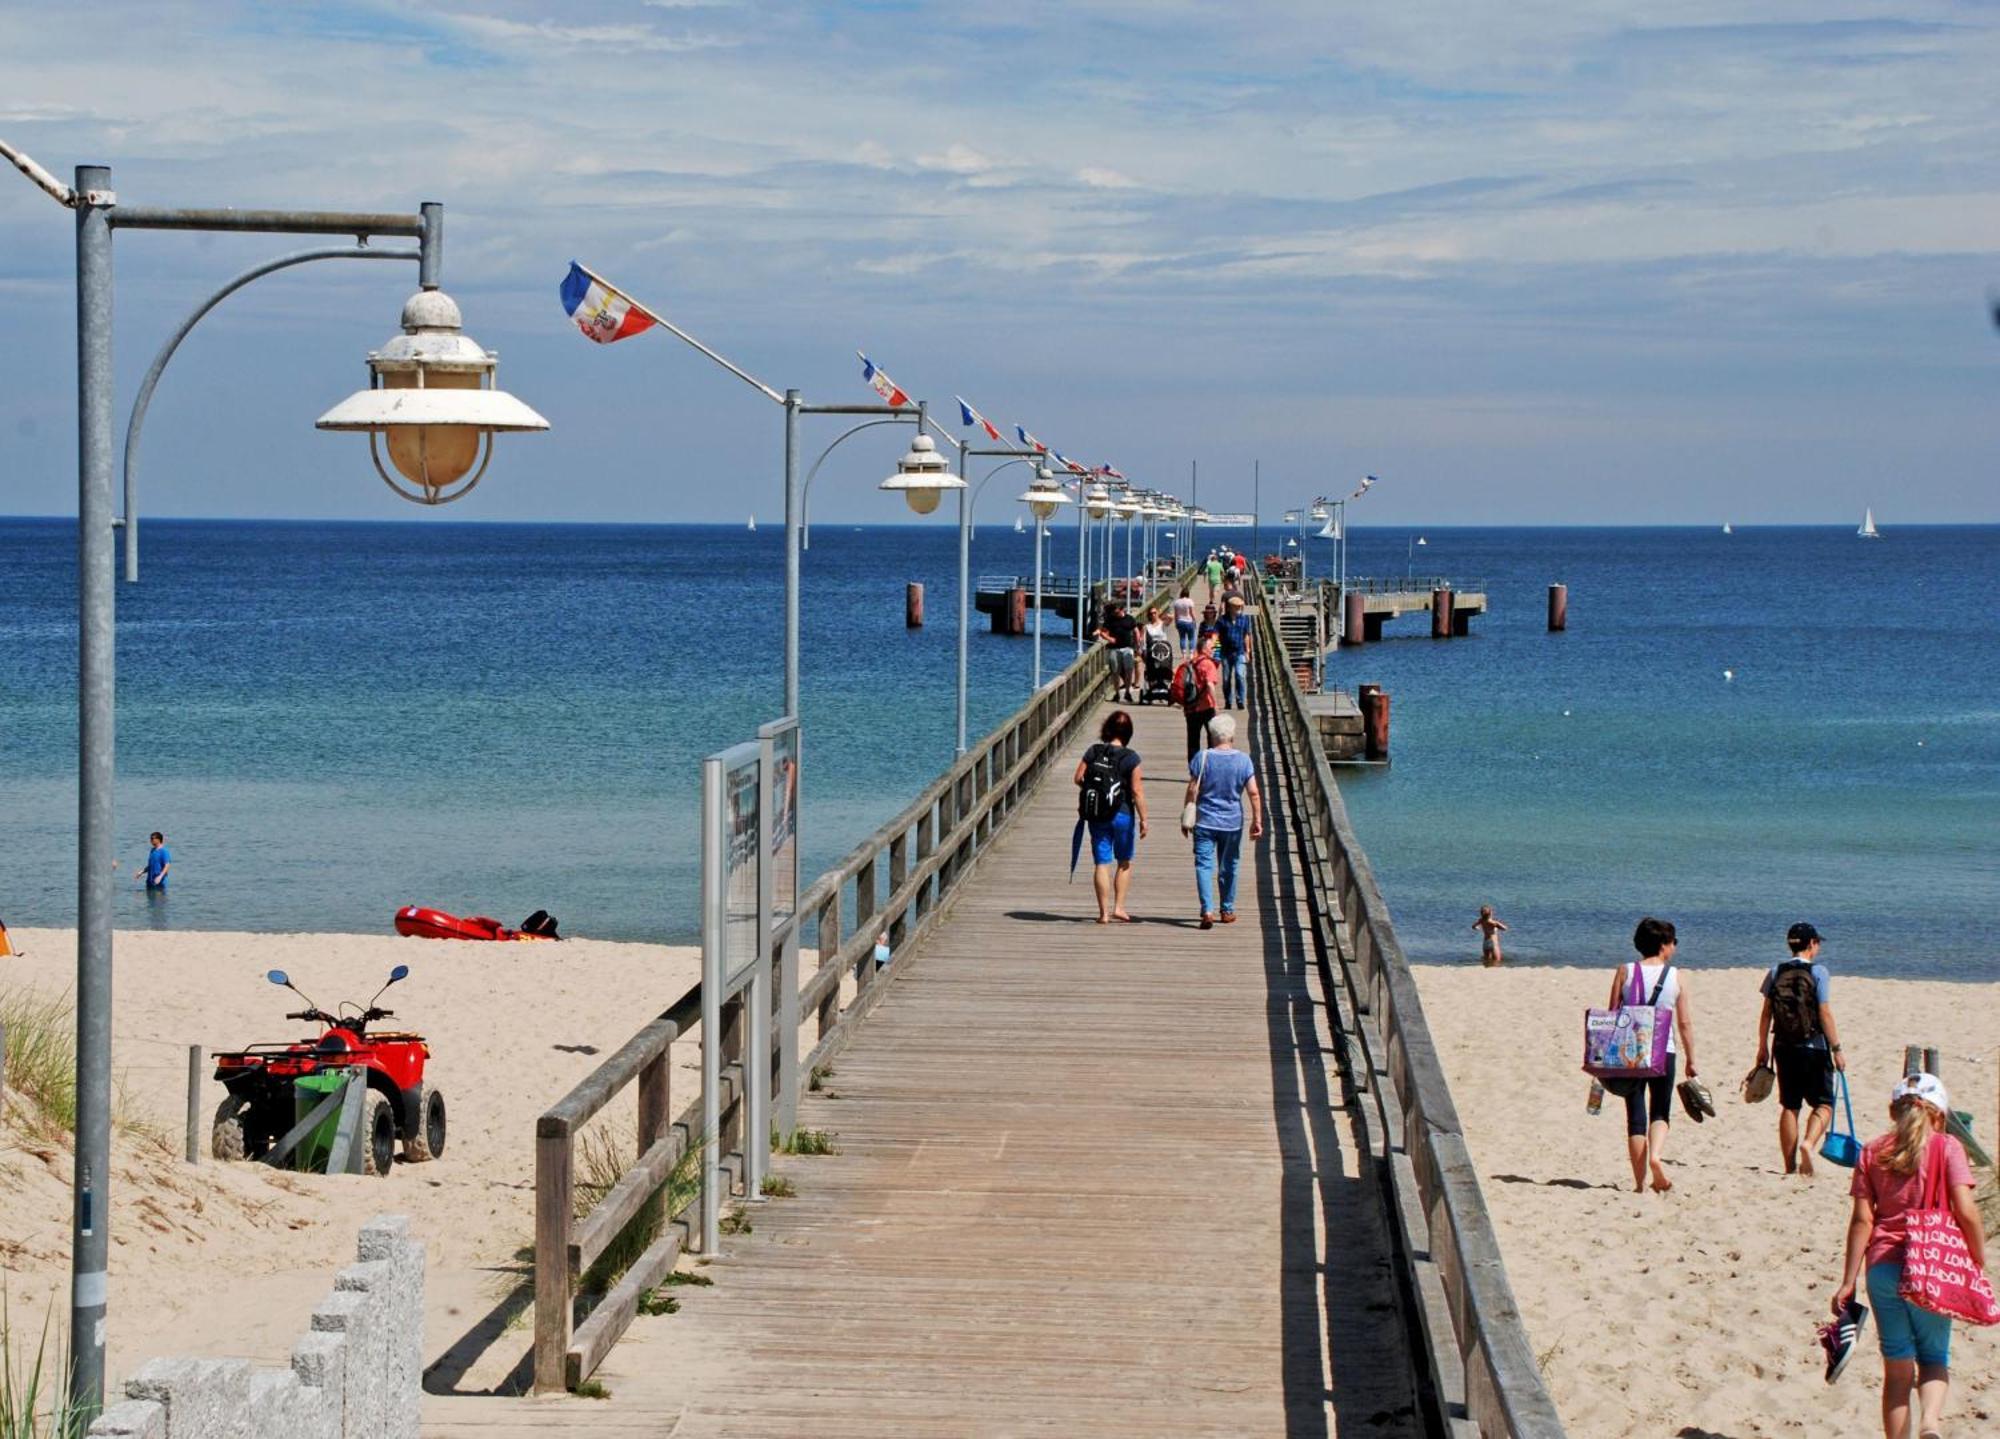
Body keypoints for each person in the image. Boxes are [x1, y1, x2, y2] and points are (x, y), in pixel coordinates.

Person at [1828, 1073, 1988, 1434]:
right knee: (1933, 1358)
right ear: (1940, 1115)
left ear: (1892, 1111)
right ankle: (1930, 1422)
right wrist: (1976, 1258)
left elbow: (1862, 1221)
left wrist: (1848, 1281)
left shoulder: (1872, 1151)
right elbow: (1965, 1210)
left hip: (1883, 1268)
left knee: (1897, 1371)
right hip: (1931, 1268)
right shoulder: (1948, 1148)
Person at [1606, 916, 1698, 1194]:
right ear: (1663, 945)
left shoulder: (1625, 971)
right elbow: (1684, 1023)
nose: (1675, 948)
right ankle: (1656, 1157)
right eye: (1673, 942)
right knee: (1660, 1110)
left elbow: (1612, 1013)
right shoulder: (1675, 976)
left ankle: (1638, 1184)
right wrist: (1692, 1058)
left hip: (1629, 1051)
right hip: (1663, 1051)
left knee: (1635, 1116)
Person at [1755, 921, 1845, 1177]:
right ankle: (1808, 1143)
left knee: (1790, 1106)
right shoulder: (1819, 972)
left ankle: (1789, 1166)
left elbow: (1765, 1015)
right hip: (1814, 1047)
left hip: (1783, 1047)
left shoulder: (1775, 971)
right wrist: (1837, 1048)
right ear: (1812, 944)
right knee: (1824, 1104)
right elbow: (1824, 1012)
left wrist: (1762, 1047)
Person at [1183, 712, 1261, 929]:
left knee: (1203, 865)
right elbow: (1253, 793)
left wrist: (1185, 815)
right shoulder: (1243, 760)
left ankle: (1207, 909)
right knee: (1230, 865)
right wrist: (1257, 820)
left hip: (1205, 820)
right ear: (1232, 735)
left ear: (1211, 735)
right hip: (1232, 822)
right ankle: (1227, 910)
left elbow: (1192, 789)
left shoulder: (1202, 757)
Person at [1073, 710, 1147, 924]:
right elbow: (1136, 792)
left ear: (1107, 728)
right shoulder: (1131, 757)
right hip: (1123, 814)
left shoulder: (1094, 751)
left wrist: (1094, 789)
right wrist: (1144, 819)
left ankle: (1103, 913)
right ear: (1128, 733)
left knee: (1101, 862)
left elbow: (1078, 778)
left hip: (1097, 814)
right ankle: (1119, 908)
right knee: (1124, 861)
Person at [1173, 631, 1222, 762]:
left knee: (1193, 741)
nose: (1213, 650)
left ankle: (1194, 771)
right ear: (1204, 649)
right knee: (1212, 739)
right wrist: (1216, 705)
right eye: (1211, 648)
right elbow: (1210, 685)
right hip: (1206, 707)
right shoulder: (1208, 664)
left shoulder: (1190, 663)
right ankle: (1210, 768)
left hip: (1191, 708)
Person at [1094, 602, 1139, 704]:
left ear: (1121, 609)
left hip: (1128, 648)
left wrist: (1137, 646)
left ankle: (1127, 692)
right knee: (1115, 672)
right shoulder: (1110, 620)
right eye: (1114, 611)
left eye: (1116, 611)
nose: (1115, 613)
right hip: (1114, 649)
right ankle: (1117, 693)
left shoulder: (1130, 619)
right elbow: (1103, 632)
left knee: (1129, 670)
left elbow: (1136, 631)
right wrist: (1110, 639)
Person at [1215, 595, 1252, 709]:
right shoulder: (1222, 620)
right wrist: (1216, 653)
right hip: (1226, 653)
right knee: (1226, 679)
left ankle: (1240, 700)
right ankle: (1228, 701)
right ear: (1230, 607)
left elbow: (1246, 635)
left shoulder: (1244, 619)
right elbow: (1216, 636)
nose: (1238, 609)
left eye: (1239, 607)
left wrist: (1248, 651)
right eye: (1236, 607)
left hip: (1240, 652)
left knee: (1239, 675)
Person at [1172, 588, 1198, 652]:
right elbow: (1191, 613)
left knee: (1182, 638)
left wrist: (1176, 623)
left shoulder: (1177, 602)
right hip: (1189, 622)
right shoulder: (1190, 601)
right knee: (1191, 638)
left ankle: (1183, 653)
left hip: (1180, 621)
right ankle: (1191, 652)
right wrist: (1195, 620)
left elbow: (1176, 614)